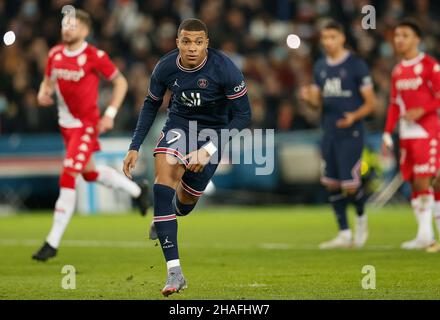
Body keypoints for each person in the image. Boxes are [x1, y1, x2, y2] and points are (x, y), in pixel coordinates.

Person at [123, 18, 251, 296]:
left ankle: (164, 215)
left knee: (187, 200)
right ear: (177, 42)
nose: (192, 48)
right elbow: (150, 105)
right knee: (162, 181)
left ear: (207, 44)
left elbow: (244, 116)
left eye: (198, 42)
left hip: (213, 134)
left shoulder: (225, 68)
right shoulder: (166, 67)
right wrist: (135, 144)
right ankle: (175, 272)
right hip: (179, 127)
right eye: (186, 41)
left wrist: (209, 149)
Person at [32, 9, 149, 262]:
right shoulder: (54, 54)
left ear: (85, 31)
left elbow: (121, 83)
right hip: (66, 125)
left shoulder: (94, 56)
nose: (67, 28)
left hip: (86, 125)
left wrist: (110, 113)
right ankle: (138, 191)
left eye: (73, 25)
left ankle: (52, 242)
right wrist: (44, 92)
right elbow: (47, 81)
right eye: (64, 24)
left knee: (68, 174)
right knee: (89, 173)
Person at [300, 21, 376, 249]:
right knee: (332, 184)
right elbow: (316, 103)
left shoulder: (356, 65)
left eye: (332, 37)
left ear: (342, 38)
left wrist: (354, 116)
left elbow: (371, 103)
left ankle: (361, 221)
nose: (328, 42)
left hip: (351, 132)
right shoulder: (320, 66)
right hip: (329, 131)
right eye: (324, 38)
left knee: (350, 185)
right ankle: (344, 232)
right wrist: (308, 98)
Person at [382, 20, 440, 250]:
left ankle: (426, 234)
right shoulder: (397, 70)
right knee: (416, 183)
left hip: (428, 131)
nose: (399, 40)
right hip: (406, 134)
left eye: (404, 35)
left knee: (425, 179)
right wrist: (388, 132)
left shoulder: (429, 65)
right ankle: (424, 235)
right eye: (396, 35)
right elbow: (394, 104)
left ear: (417, 39)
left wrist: (422, 109)